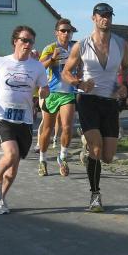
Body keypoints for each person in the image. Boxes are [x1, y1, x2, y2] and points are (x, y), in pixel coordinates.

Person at [62, 2, 128, 213]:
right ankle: (95, 195)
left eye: (108, 15)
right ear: (93, 18)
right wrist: (79, 83)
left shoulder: (121, 44)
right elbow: (66, 72)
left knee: (107, 157)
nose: (105, 19)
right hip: (88, 100)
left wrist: (124, 86)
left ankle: (87, 150)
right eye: (101, 15)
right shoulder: (81, 45)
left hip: (110, 102)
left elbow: (126, 68)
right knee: (97, 149)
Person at [0, 25, 49, 215]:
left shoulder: (37, 66)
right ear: (15, 41)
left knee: (13, 169)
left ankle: (1, 198)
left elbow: (45, 88)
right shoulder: (1, 62)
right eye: (24, 40)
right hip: (2, 117)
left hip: (25, 120)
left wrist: (44, 91)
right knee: (11, 154)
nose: (28, 44)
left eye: (31, 41)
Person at [37, 18, 79, 177]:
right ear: (56, 33)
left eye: (69, 31)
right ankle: (42, 160)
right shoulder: (50, 48)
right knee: (47, 130)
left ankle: (62, 157)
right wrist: (53, 59)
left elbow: (80, 65)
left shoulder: (75, 48)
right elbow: (39, 67)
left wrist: (79, 75)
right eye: (63, 31)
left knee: (67, 127)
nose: (66, 33)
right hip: (52, 93)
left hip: (68, 93)